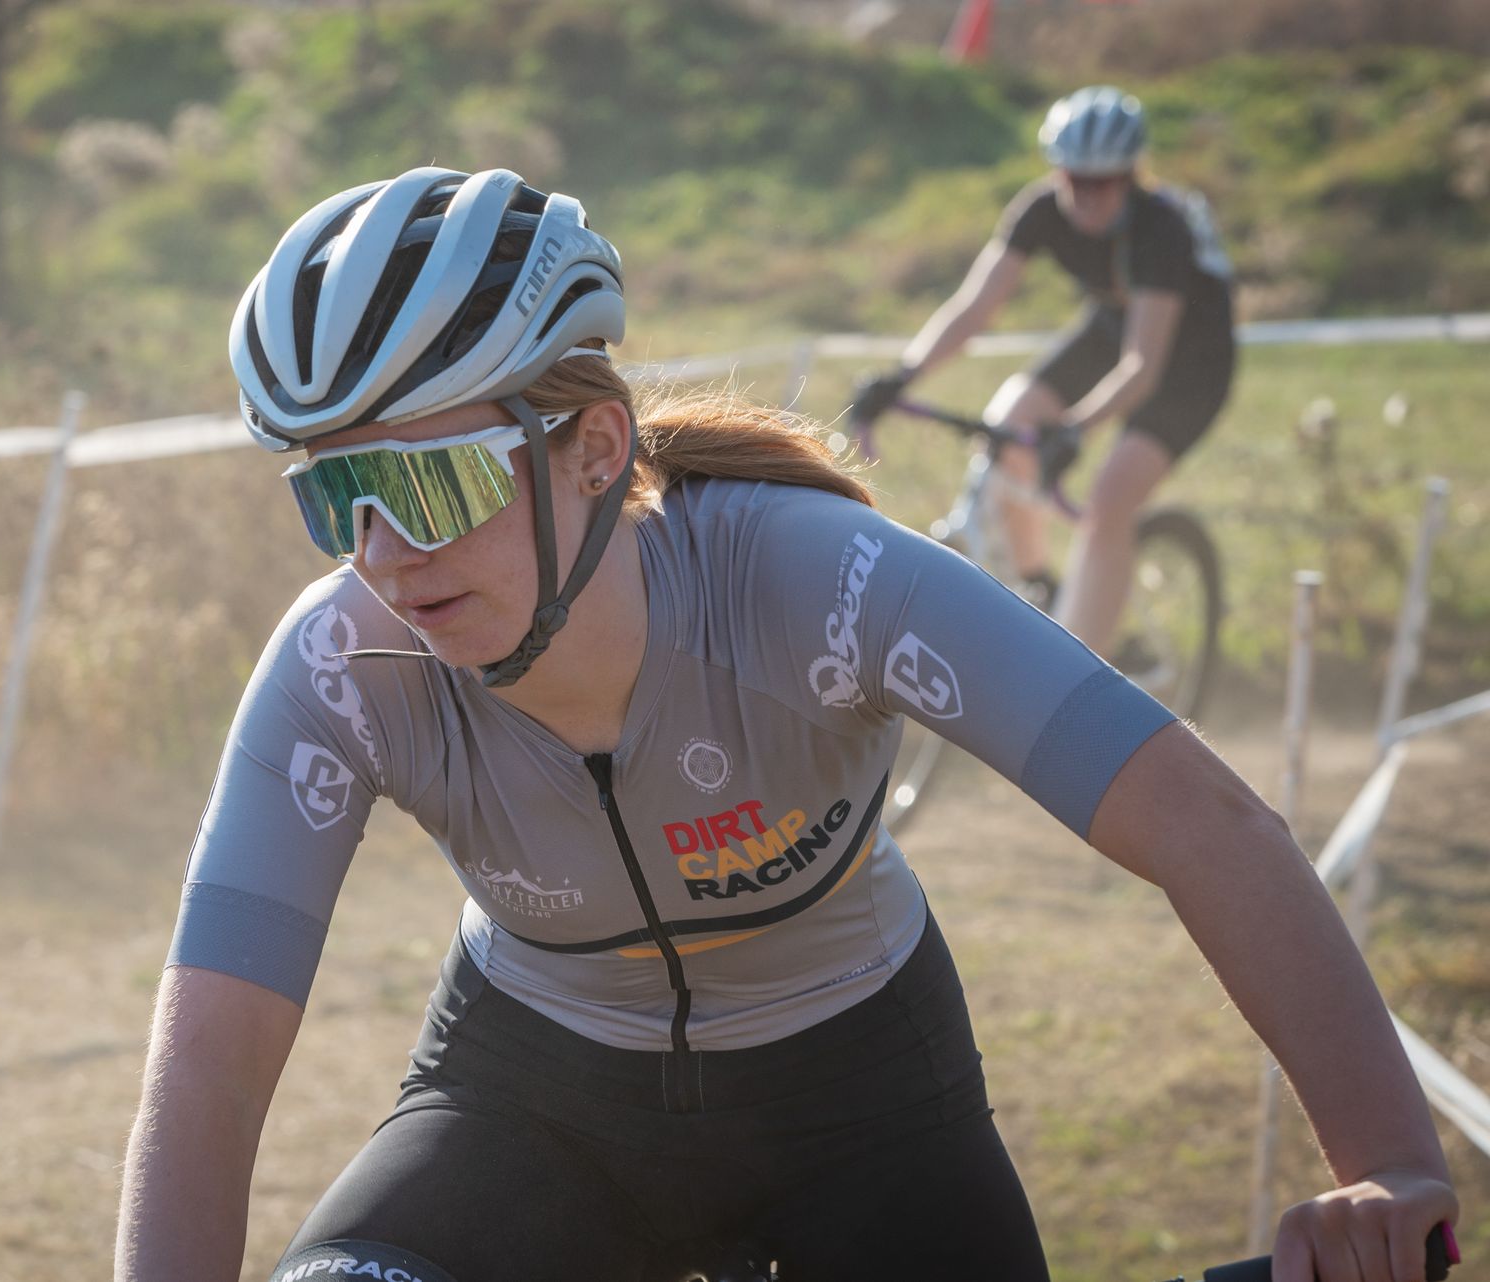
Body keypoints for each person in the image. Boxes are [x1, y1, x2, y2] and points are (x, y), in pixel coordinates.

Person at [115, 166, 1456, 1282]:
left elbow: (1201, 818)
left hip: (865, 1097)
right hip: (533, 1095)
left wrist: (1389, 1161)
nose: (389, 553)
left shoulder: (817, 580)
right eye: (337, 491)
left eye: (439, 478)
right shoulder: (344, 661)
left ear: (593, 446)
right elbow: (215, 1045)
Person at [853, 85, 1237, 656]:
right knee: (1009, 423)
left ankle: (1081, 677)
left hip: (1190, 362)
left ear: (1130, 176)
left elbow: (1143, 365)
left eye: (1102, 183)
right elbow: (974, 307)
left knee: (1110, 499)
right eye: (1073, 179)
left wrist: (1078, 427)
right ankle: (1041, 586)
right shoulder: (1040, 209)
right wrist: (901, 377)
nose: (1085, 197)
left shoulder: (1162, 231)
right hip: (1112, 326)